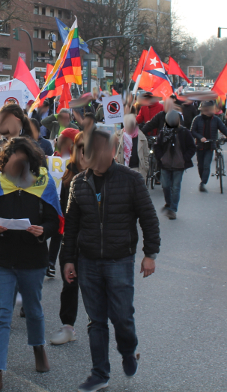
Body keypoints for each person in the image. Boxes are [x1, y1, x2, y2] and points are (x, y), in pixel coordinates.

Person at [61, 128, 160, 392]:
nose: (86, 154)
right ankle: (99, 373)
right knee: (96, 321)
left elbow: (149, 219)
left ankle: (128, 350)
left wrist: (150, 255)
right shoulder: (79, 183)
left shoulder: (131, 180)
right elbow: (70, 227)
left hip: (120, 261)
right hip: (88, 262)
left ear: (108, 151)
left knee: (122, 316)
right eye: (84, 150)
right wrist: (68, 260)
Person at [0, 137, 61, 392]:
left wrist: (42, 231)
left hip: (33, 259)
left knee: (34, 310)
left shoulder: (44, 182)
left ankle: (38, 348)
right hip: (1, 258)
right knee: (2, 313)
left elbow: (55, 221)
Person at [48, 132, 86, 345]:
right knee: (69, 285)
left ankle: (98, 325)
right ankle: (68, 327)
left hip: (97, 243)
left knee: (96, 289)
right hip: (71, 239)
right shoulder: (65, 174)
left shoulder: (106, 172)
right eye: (79, 148)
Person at [153, 110, 195, 219]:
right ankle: (169, 202)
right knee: (166, 186)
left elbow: (192, 147)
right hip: (165, 164)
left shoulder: (184, 132)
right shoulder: (163, 132)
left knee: (176, 187)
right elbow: (157, 146)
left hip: (178, 165)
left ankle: (173, 209)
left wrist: (184, 159)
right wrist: (161, 157)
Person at [190, 101, 227, 192]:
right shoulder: (197, 119)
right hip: (200, 145)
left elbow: (223, 128)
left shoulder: (216, 119)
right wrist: (200, 137)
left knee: (207, 165)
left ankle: (203, 182)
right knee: (200, 165)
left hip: (210, 146)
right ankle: (202, 178)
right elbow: (193, 131)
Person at [115, 113, 150, 178]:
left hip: (137, 170)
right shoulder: (118, 135)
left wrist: (145, 167)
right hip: (121, 170)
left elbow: (146, 153)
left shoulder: (141, 136)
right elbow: (111, 151)